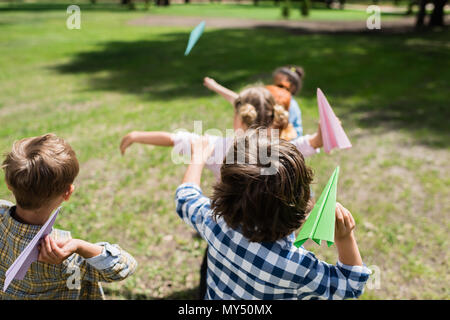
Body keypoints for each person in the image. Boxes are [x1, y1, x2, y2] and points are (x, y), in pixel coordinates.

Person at [175, 129, 371, 299]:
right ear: (300, 204)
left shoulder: (212, 223)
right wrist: (345, 238)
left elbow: (185, 197)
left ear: (225, 191)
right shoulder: (298, 267)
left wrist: (198, 158)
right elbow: (351, 285)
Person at [0, 134, 137, 299]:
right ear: (68, 193)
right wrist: (80, 246)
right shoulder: (63, 252)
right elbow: (124, 267)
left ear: (8, 184)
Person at [119, 86, 323, 181]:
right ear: (272, 117)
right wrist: (324, 128)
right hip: (270, 230)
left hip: (228, 229)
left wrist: (136, 135)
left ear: (239, 119)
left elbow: (174, 139)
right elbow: (313, 142)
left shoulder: (219, 147)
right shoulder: (283, 149)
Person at [272, 65, 305, 137]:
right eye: (275, 86)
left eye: (280, 86)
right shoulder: (275, 100)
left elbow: (285, 128)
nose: (277, 89)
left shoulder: (292, 105)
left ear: (292, 88)